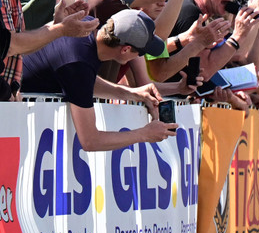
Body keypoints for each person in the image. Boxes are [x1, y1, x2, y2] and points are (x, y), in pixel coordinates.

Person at [22, 9, 177, 151]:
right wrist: (144, 134)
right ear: (126, 49)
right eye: (140, 53)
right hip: (15, 112)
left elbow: (83, 81)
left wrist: (132, 93)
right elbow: (90, 141)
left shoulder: (87, 25)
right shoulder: (78, 64)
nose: (138, 57)